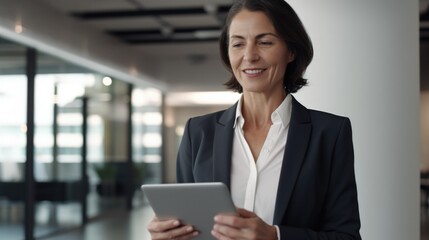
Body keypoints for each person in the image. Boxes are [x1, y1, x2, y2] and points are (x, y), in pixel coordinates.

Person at [148, 0, 361, 239]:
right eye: (238, 44)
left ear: (291, 50)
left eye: (265, 42)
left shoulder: (330, 133)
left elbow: (346, 236)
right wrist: (169, 234)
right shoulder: (198, 132)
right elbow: (190, 226)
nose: (249, 56)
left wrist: (275, 236)